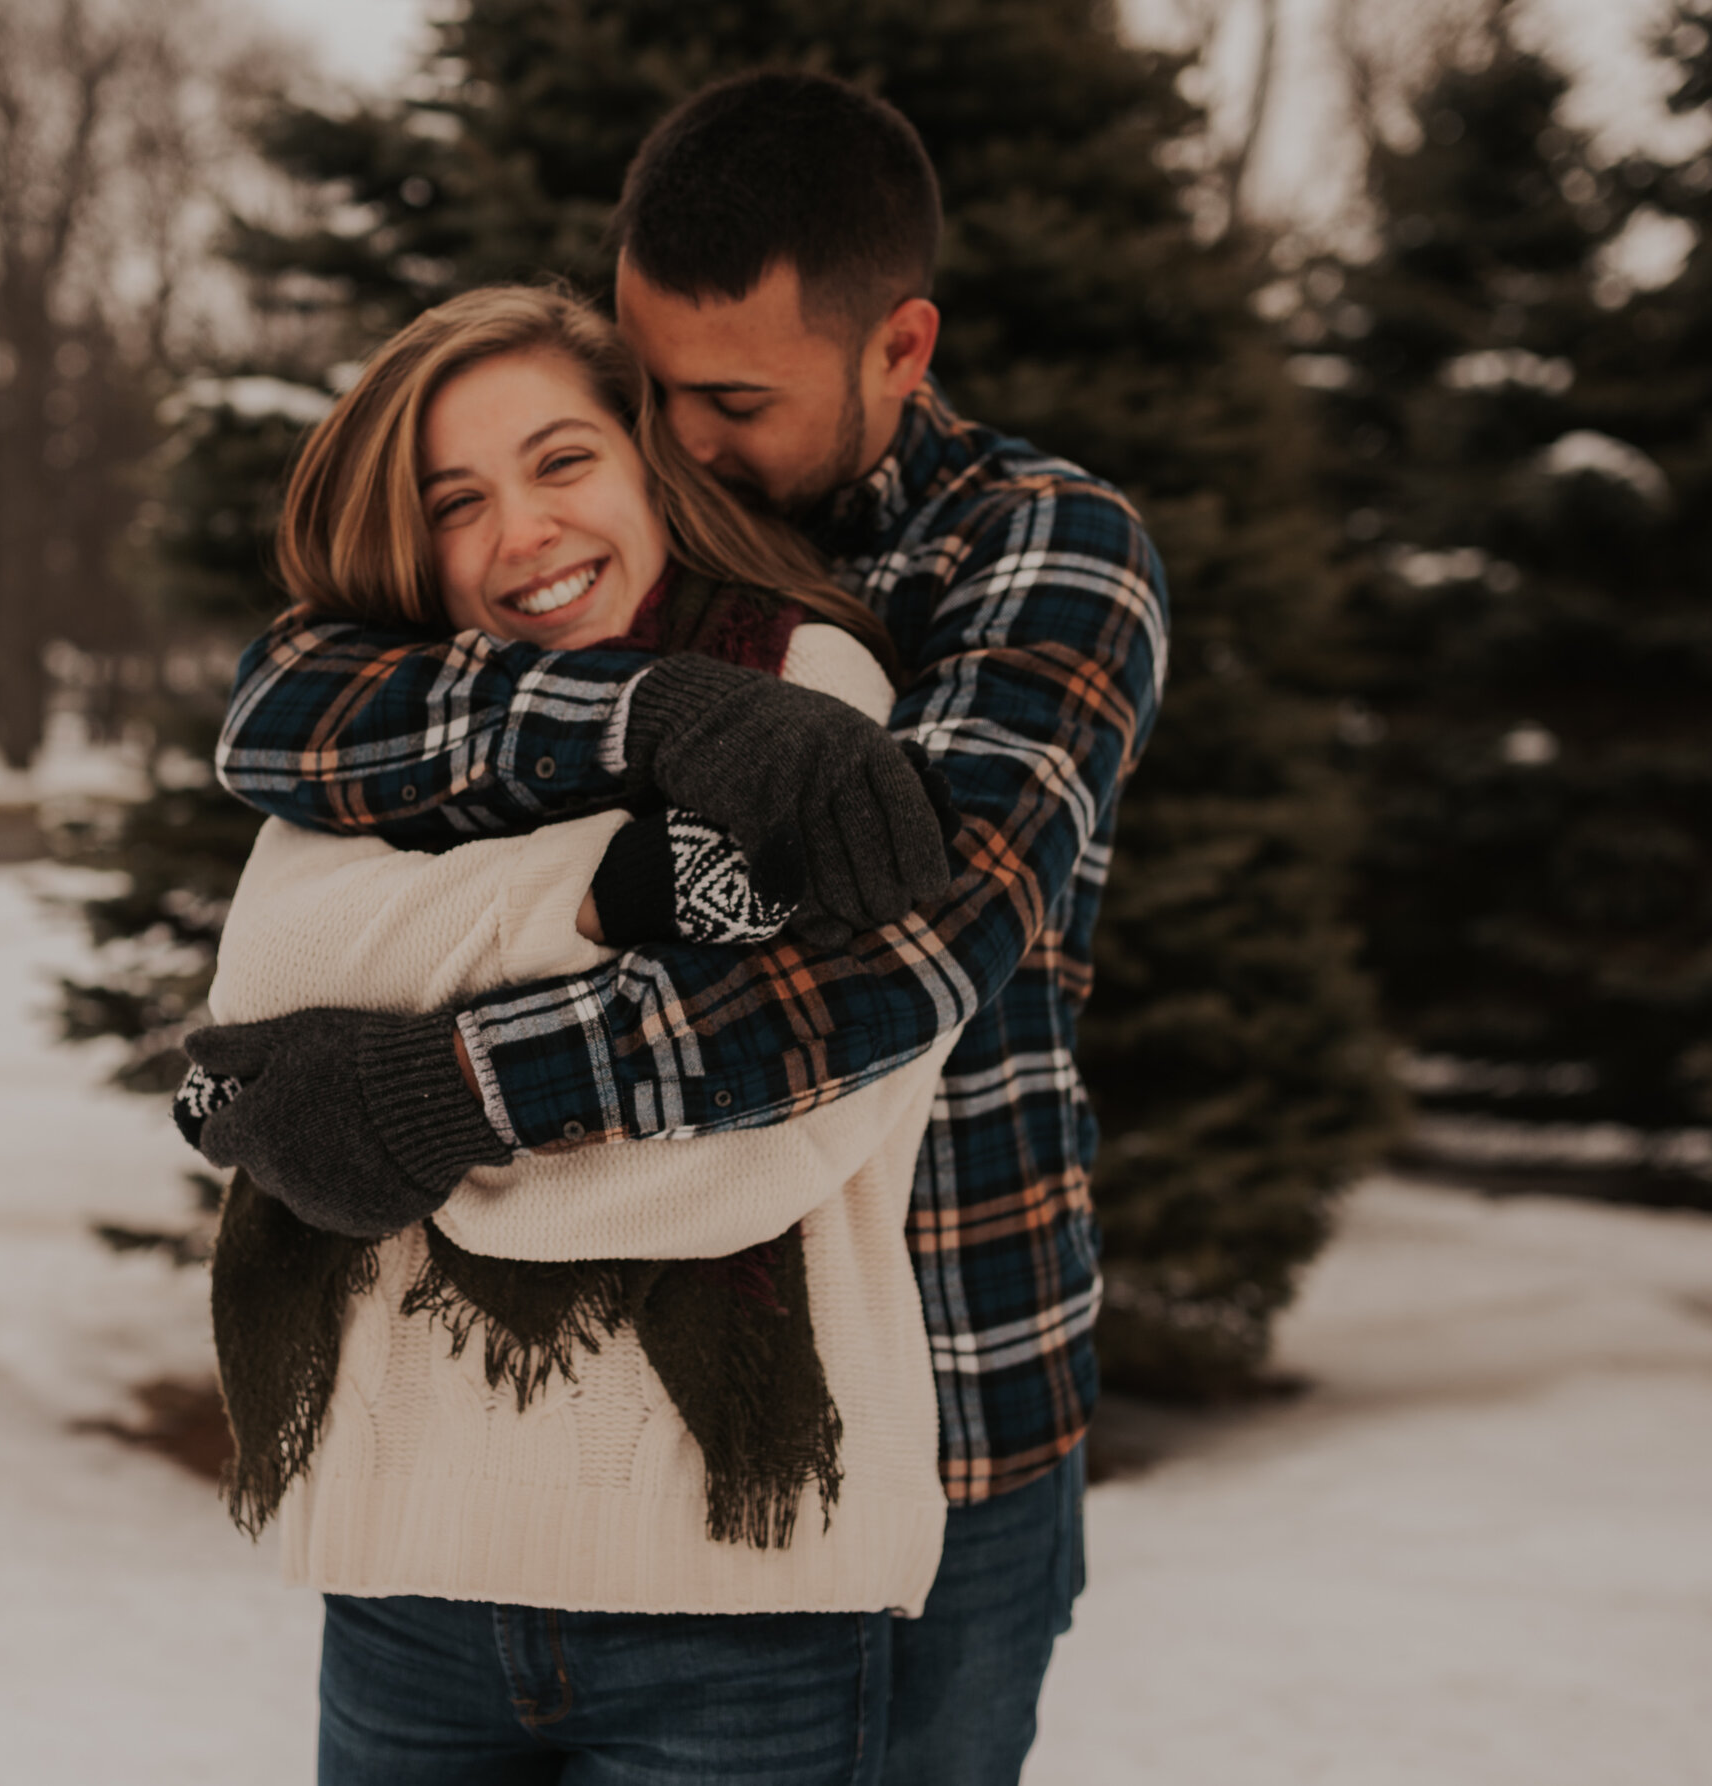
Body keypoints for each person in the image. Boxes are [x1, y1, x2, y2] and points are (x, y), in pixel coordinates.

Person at [206, 73, 1167, 1786]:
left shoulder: (1038, 550)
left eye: (734, 400)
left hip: (952, 1389)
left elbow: (897, 957)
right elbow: (282, 705)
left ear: (901, 350)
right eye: (647, 392)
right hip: (543, 1495)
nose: (682, 443)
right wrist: (644, 713)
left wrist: (445, 1092)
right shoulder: (602, 556)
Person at [183, 283, 961, 1784]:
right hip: (409, 1575)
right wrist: (614, 893)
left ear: (649, 462)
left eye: (561, 462)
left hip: (733, 1604)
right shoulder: (392, 716)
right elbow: (273, 970)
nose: (521, 533)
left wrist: (387, 1116)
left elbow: (745, 1160)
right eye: (456, 500)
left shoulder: (808, 696)